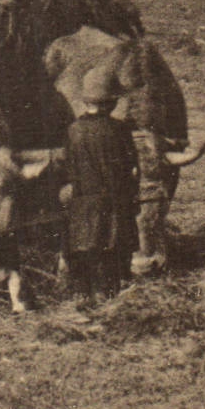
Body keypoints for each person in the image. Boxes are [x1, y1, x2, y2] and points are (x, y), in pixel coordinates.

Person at [61, 67, 140, 311]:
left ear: (86, 101)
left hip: (82, 201)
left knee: (85, 250)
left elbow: (69, 165)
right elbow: (132, 166)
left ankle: (83, 295)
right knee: (114, 253)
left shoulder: (73, 130)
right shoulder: (119, 129)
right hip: (114, 201)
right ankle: (111, 297)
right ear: (112, 102)